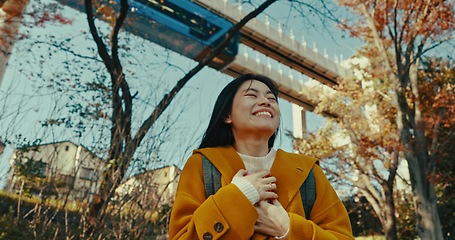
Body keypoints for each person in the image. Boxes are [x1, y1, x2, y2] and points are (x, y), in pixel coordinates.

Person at [169, 74, 353, 239]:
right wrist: (241, 194)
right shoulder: (202, 165)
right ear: (227, 115)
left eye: (271, 98)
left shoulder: (308, 171)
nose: (266, 101)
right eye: (251, 95)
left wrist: (289, 229)